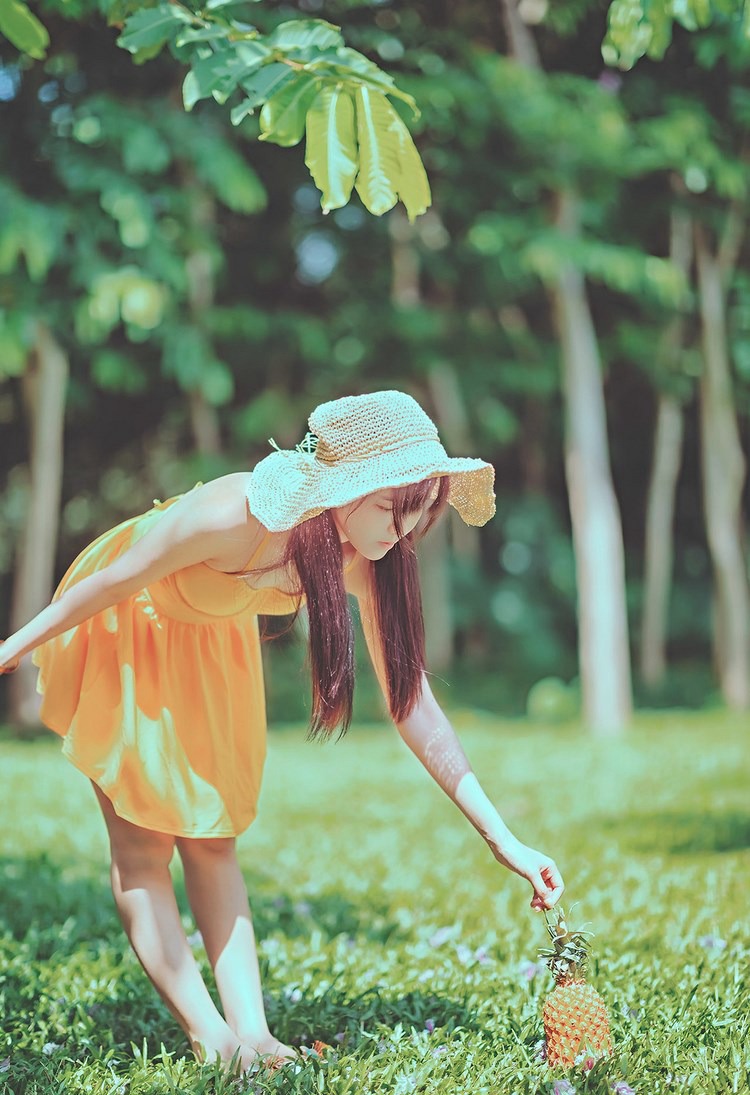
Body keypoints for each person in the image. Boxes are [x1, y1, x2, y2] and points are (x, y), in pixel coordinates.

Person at [0, 390, 564, 1074]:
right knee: (145, 846)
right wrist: (12, 648)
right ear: (343, 488)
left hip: (210, 642)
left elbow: (412, 702)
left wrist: (501, 834)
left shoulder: (368, 557)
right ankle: (212, 1036)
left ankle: (255, 1036)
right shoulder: (232, 514)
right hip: (131, 621)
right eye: (393, 505)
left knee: (213, 839)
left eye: (420, 510)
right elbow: (115, 581)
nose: (404, 529)